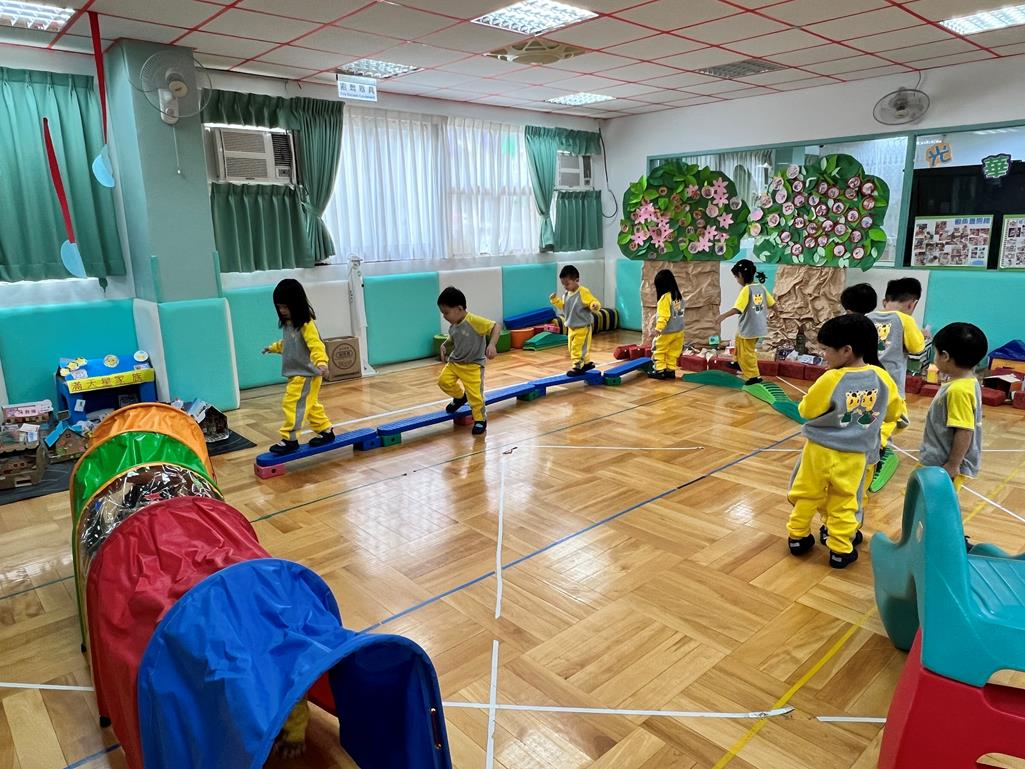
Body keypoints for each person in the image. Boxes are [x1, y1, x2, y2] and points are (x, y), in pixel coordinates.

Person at [786, 314, 902, 568]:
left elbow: (806, 410)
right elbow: (895, 413)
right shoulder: (882, 377)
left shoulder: (831, 378)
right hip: (855, 455)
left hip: (819, 450)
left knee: (807, 494)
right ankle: (839, 549)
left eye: (826, 350)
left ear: (846, 351)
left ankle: (797, 537)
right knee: (846, 501)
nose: (824, 355)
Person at [866, 278, 927, 491]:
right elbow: (917, 348)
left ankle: (870, 445)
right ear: (912, 303)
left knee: (870, 413)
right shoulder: (905, 320)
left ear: (886, 299)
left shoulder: (868, 317)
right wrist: (922, 335)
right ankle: (879, 450)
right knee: (893, 417)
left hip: (867, 378)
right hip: (891, 382)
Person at [262, 279, 334, 455]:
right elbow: (288, 344)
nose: (282, 311)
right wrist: (272, 348)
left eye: (285, 307)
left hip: (306, 374)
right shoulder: (289, 324)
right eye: (279, 307)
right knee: (310, 405)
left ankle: (290, 439)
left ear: (296, 304)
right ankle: (326, 430)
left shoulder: (306, 324)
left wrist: (322, 362)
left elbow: (316, 345)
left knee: (292, 404)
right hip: (298, 374)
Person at [919, 322, 988, 493]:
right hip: (939, 462)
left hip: (943, 466)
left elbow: (964, 430)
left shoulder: (958, 391)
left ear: (945, 356)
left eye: (935, 353)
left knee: (937, 503)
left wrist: (952, 464)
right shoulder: (967, 382)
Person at [437, 286, 500, 436]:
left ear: (459, 308)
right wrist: (445, 345)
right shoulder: (453, 325)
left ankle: (480, 420)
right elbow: (453, 338)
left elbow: (496, 327)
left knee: (475, 397)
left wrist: (492, 344)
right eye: (442, 313)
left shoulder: (474, 321)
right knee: (443, 382)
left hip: (473, 366)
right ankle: (460, 397)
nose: (444, 316)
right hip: (455, 363)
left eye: (446, 312)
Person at [717, 259, 775, 385]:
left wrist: (723, 316)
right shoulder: (761, 287)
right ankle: (738, 362)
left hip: (749, 328)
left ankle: (754, 376)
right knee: (738, 338)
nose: (736, 280)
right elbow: (772, 303)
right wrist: (776, 313)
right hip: (758, 327)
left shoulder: (746, 290)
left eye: (736, 277)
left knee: (747, 352)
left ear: (741, 275)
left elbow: (738, 309)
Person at [550, 265, 601, 377]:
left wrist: (594, 305)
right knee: (572, 347)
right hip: (571, 327)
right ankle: (586, 363)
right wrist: (555, 300)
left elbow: (592, 301)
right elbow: (563, 307)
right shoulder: (566, 295)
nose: (565, 287)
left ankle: (577, 366)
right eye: (563, 284)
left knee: (577, 348)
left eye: (567, 284)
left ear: (576, 280)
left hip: (583, 326)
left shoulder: (583, 292)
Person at [648, 269, 685, 380]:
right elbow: (678, 314)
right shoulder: (678, 296)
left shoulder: (665, 298)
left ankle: (659, 370)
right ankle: (670, 370)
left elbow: (664, 316)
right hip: (679, 331)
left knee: (659, 349)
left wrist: (658, 328)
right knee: (673, 351)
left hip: (667, 332)